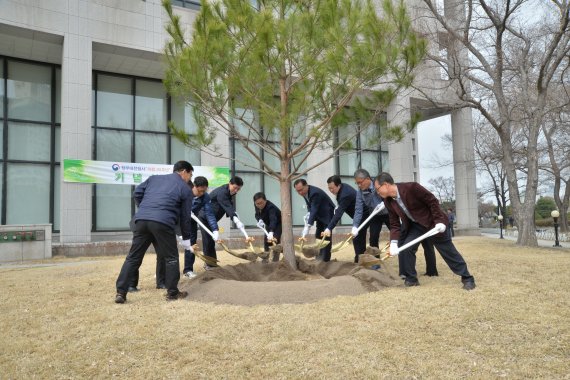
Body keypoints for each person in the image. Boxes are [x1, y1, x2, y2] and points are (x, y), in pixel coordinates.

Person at [374, 172, 476, 290]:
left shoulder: (412, 188)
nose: (377, 192)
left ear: (386, 185)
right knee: (407, 248)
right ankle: (411, 279)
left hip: (433, 222)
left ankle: (467, 278)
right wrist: (393, 243)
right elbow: (394, 223)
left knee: (448, 250)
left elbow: (432, 201)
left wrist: (439, 221)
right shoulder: (388, 201)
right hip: (416, 226)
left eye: (377, 189)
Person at [115, 160, 194, 303]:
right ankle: (172, 293)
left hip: (141, 220)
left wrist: (145, 208)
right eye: (190, 174)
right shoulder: (185, 188)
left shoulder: (154, 178)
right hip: (163, 222)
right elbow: (185, 217)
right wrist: (186, 238)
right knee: (171, 257)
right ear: (184, 171)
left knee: (133, 257)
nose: (190, 178)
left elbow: (137, 193)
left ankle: (121, 292)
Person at [155, 176, 220, 282]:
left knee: (191, 244)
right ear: (194, 186)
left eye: (204, 191)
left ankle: (188, 270)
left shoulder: (205, 197)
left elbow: (209, 213)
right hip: (175, 221)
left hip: (190, 223)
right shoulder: (184, 193)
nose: (202, 193)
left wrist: (215, 229)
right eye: (200, 191)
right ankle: (162, 272)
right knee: (167, 246)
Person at [200, 176, 244, 266]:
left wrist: (234, 215)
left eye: (238, 189)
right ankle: (209, 264)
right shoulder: (222, 192)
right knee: (208, 241)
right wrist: (234, 218)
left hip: (212, 219)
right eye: (235, 188)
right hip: (204, 217)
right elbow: (226, 204)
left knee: (211, 241)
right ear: (229, 183)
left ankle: (212, 264)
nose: (236, 191)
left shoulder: (229, 191)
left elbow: (229, 205)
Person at [322, 175, 366, 263]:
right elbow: (340, 208)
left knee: (357, 237)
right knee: (359, 238)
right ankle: (361, 259)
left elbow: (339, 214)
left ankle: (360, 261)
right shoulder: (343, 187)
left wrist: (329, 228)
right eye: (329, 188)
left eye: (332, 188)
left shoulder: (345, 194)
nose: (331, 190)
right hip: (358, 215)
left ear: (338, 185)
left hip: (363, 214)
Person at [293, 178, 335, 262]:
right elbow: (310, 206)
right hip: (319, 215)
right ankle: (319, 256)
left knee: (325, 238)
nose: (300, 193)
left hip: (327, 214)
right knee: (318, 235)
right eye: (297, 191)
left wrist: (308, 226)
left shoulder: (314, 193)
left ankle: (325, 260)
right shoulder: (305, 193)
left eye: (301, 190)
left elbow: (314, 208)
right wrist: (308, 213)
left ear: (306, 186)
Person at [352, 169, 390, 256]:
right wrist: (355, 226)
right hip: (375, 215)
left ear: (368, 179)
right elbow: (358, 210)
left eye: (360, 182)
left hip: (388, 213)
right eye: (357, 183)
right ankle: (375, 261)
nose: (359, 185)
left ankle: (402, 256)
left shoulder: (379, 184)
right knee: (373, 238)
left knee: (398, 235)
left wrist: (385, 203)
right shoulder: (360, 193)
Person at [253, 192, 282, 262]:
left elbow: (273, 219)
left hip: (278, 223)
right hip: (268, 224)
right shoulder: (256, 205)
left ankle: (275, 261)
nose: (259, 205)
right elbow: (257, 214)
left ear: (265, 200)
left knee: (274, 240)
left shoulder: (270, 207)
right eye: (257, 204)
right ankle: (266, 259)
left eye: (261, 203)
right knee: (267, 241)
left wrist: (271, 231)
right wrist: (259, 220)